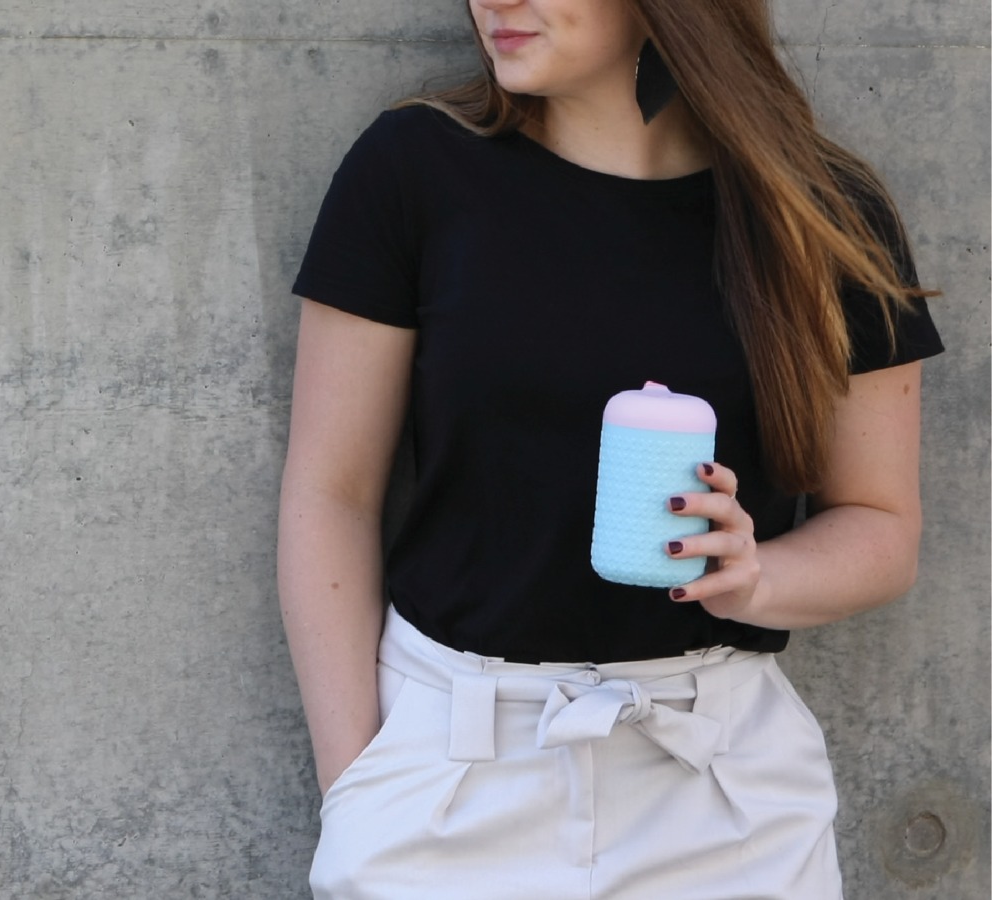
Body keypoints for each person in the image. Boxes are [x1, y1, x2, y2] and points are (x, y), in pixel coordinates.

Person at [277, 1, 944, 897]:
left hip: (722, 794)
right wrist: (355, 789)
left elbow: (882, 525)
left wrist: (756, 578)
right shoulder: (413, 169)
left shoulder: (817, 212)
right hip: (448, 773)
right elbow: (332, 492)